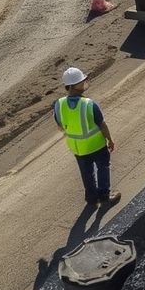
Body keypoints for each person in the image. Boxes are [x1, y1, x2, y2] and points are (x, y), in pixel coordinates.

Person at [55, 67, 121, 207]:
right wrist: (110, 139)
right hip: (96, 145)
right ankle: (104, 197)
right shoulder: (89, 104)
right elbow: (102, 124)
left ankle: (91, 198)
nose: (84, 82)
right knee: (103, 168)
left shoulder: (59, 104)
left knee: (86, 173)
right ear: (74, 85)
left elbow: (59, 125)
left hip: (78, 149)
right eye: (82, 81)